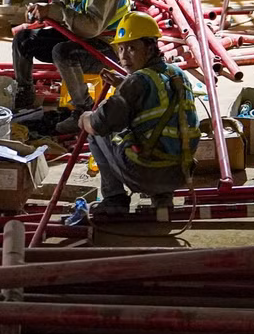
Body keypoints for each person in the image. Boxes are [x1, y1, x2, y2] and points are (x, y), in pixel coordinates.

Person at [13, 0, 129, 130]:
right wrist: (42, 12)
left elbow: (91, 27)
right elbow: (65, 11)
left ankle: (82, 110)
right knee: (23, 39)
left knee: (63, 52)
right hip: (82, 37)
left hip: (110, 48)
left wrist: (54, 11)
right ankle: (24, 93)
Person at [80, 11, 200, 217]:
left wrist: (83, 119)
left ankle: (114, 199)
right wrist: (123, 84)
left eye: (132, 48)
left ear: (151, 47)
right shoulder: (177, 74)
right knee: (158, 134)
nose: (124, 56)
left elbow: (100, 124)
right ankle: (162, 197)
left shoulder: (137, 82)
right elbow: (155, 99)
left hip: (145, 173)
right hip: (180, 172)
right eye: (121, 48)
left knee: (96, 133)